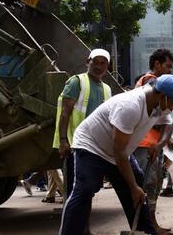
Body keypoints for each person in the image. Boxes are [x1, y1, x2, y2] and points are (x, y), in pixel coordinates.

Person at [59, 74, 173, 235]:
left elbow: (168, 124)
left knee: (137, 183)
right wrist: (132, 187)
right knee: (84, 190)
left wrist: (159, 144)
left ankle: (145, 231)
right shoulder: (130, 106)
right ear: (163, 96)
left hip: (118, 150)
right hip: (91, 146)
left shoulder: (159, 106)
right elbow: (119, 153)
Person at [53, 48, 112, 234]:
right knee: (73, 193)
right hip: (75, 146)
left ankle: (85, 229)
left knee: (87, 192)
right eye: (96, 62)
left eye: (103, 63)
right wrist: (63, 140)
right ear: (88, 61)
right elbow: (65, 113)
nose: (99, 66)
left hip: (94, 148)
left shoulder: (107, 89)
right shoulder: (77, 82)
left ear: (107, 66)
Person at [133, 48, 173, 234]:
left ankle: (149, 223)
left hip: (153, 143)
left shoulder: (152, 82)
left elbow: (163, 118)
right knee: (148, 183)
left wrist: (166, 139)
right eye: (168, 66)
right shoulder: (151, 82)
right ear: (157, 64)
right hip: (145, 143)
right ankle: (147, 225)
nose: (170, 70)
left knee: (154, 183)